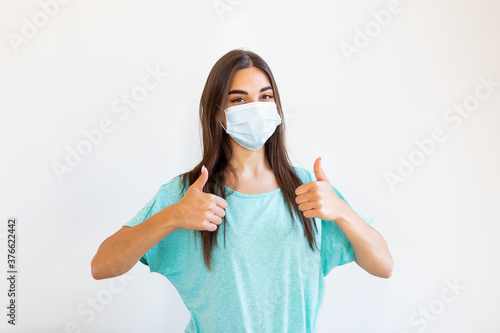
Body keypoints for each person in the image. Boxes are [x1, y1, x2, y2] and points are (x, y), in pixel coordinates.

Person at [91, 49, 393, 332]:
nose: (256, 109)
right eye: (239, 100)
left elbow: (384, 266)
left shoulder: (308, 191)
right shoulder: (190, 195)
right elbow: (102, 265)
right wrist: (172, 216)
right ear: (217, 113)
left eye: (265, 97)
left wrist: (342, 212)